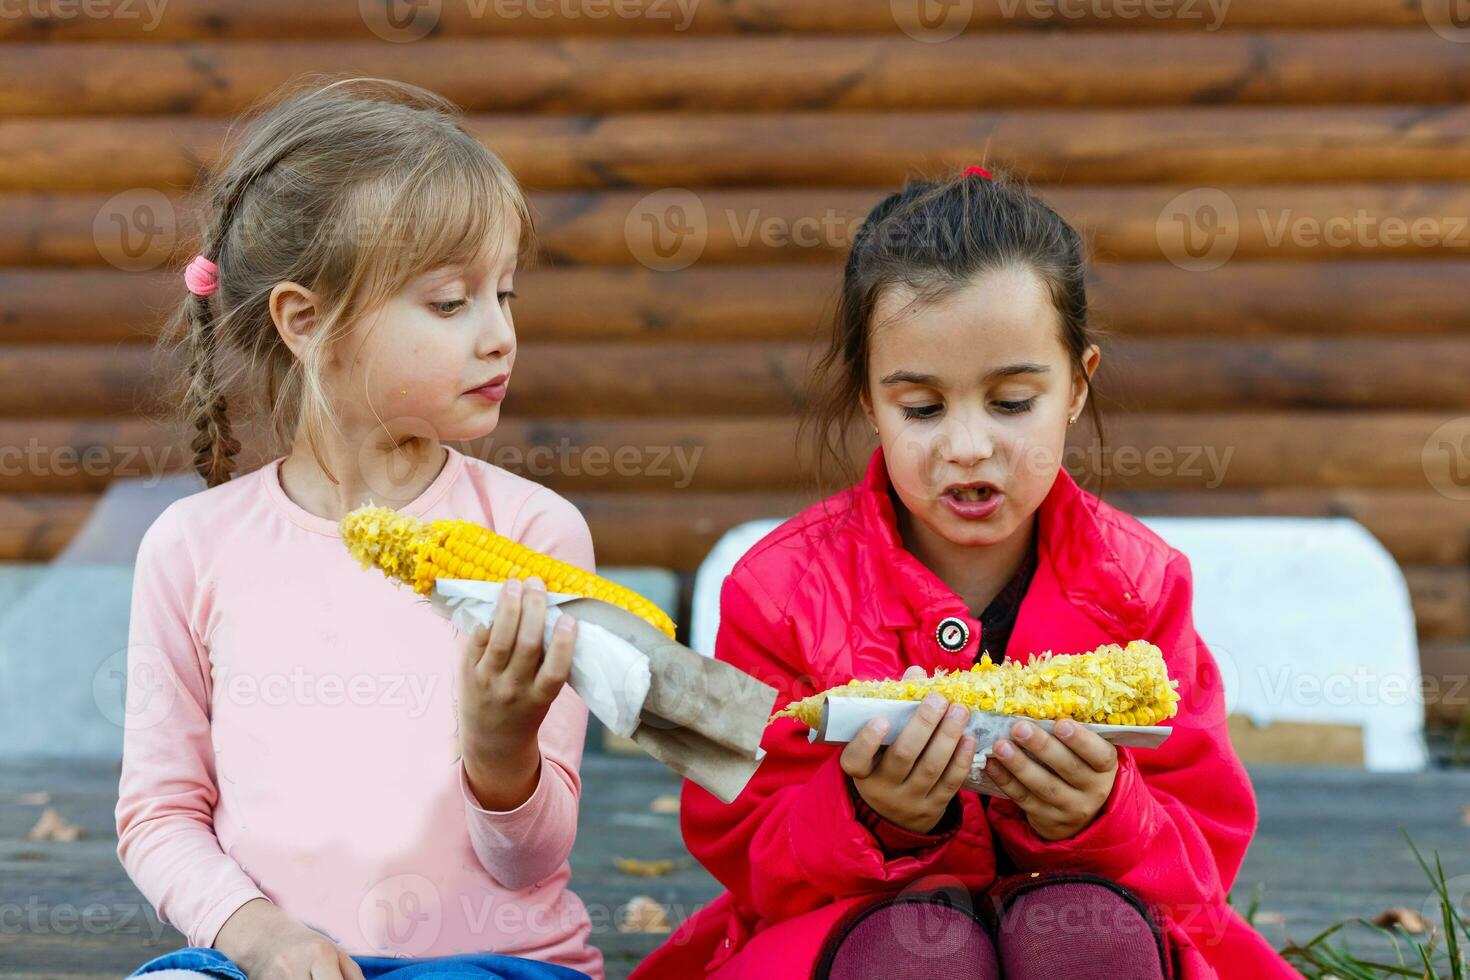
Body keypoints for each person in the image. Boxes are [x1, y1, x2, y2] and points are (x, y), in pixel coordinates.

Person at [630, 166, 1300, 979]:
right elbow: (738, 838)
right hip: (850, 936)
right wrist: (867, 818)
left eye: (1012, 401)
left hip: (1098, 931)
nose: (968, 446)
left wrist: (1104, 816)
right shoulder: (775, 592)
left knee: (1082, 929)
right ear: (869, 402)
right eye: (922, 408)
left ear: (1079, 387)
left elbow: (1204, 858)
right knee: (922, 952)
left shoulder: (1144, 585)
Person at [117, 77, 603, 980]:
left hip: (492, 962)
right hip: (267, 960)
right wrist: (264, 939)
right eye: (451, 304)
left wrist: (502, 752)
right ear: (306, 322)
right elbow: (160, 815)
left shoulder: (538, 533)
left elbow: (531, 861)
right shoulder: (192, 548)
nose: (499, 335)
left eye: (506, 295)